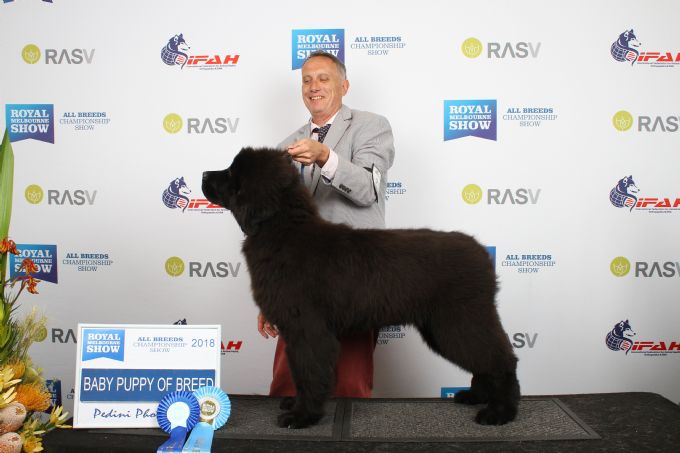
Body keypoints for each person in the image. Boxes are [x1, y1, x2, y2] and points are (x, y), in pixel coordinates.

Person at [257, 50, 395, 398]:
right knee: (288, 384)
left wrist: (325, 157)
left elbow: (367, 190)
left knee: (349, 384)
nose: (313, 86)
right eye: (306, 80)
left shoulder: (372, 126)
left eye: (323, 78)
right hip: (299, 284)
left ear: (343, 86)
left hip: (355, 277)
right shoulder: (284, 147)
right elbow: (277, 229)